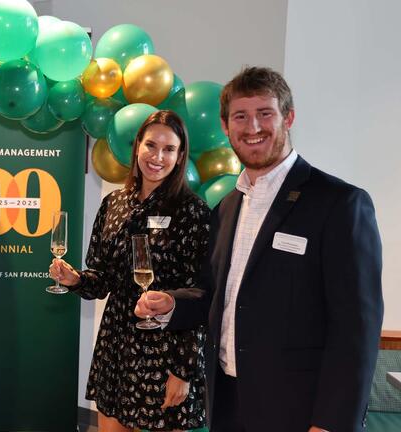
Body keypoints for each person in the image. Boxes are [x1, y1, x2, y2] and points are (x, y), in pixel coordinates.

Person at [136, 67, 384, 432]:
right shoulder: (228, 206)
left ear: (289, 117)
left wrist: (332, 422)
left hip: (299, 412)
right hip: (227, 403)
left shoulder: (340, 203)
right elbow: (213, 294)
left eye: (264, 113)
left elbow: (356, 329)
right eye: (240, 116)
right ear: (225, 127)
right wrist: (174, 304)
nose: (252, 128)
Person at [51, 110, 210, 432]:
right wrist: (77, 280)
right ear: (137, 146)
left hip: (165, 351)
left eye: (169, 149)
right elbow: (103, 279)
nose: (157, 157)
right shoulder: (114, 203)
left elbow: (202, 296)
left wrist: (183, 370)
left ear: (180, 157)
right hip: (116, 345)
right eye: (151, 145)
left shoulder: (192, 211)